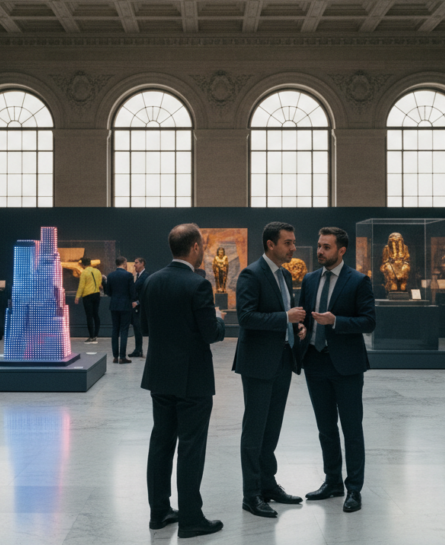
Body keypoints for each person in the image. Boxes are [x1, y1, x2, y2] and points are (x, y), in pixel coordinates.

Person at [141, 224, 226, 539]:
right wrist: (218, 318)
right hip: (192, 378)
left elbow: (146, 325)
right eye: (202, 246)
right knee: (191, 447)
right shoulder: (198, 284)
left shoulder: (151, 281)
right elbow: (210, 333)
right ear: (194, 247)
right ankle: (191, 518)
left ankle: (159, 511)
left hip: (160, 375)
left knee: (161, 444)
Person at [296, 227, 376, 514]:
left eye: (326, 247)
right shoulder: (309, 279)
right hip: (315, 362)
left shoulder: (358, 281)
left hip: (346, 365)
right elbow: (303, 315)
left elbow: (368, 322)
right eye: (319, 245)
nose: (320, 251)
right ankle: (332, 482)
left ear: (342, 250)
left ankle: (354, 488)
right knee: (326, 429)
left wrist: (336, 321)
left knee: (352, 429)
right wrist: (302, 327)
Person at [233, 222, 304, 519]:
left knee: (272, 428)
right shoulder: (251, 274)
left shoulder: (285, 275)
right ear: (270, 244)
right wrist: (285, 317)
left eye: (293, 241)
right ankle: (251, 495)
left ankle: (268, 484)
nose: (293, 248)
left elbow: (283, 315)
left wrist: (295, 325)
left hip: (282, 360)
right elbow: (246, 317)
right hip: (258, 363)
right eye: (287, 243)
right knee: (255, 429)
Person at [104, 256, 136, 364]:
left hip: (114, 305)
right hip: (125, 305)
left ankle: (115, 356)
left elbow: (108, 292)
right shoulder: (128, 275)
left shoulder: (111, 275)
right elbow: (133, 292)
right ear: (124, 263)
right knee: (124, 330)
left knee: (115, 330)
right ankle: (122, 356)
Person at [75, 258, 103, 344]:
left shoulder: (84, 272)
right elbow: (99, 283)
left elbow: (81, 286)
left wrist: (77, 297)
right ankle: (96, 335)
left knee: (89, 316)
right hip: (96, 294)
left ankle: (91, 337)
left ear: (83, 264)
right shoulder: (97, 271)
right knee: (96, 314)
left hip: (87, 295)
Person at [129, 257, 148, 358]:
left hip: (140, 308)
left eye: (136, 263)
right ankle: (138, 349)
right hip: (136, 308)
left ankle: (138, 350)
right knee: (136, 328)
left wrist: (138, 302)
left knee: (138, 328)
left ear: (142, 263)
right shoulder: (138, 276)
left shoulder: (145, 277)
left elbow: (145, 292)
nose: (134, 265)